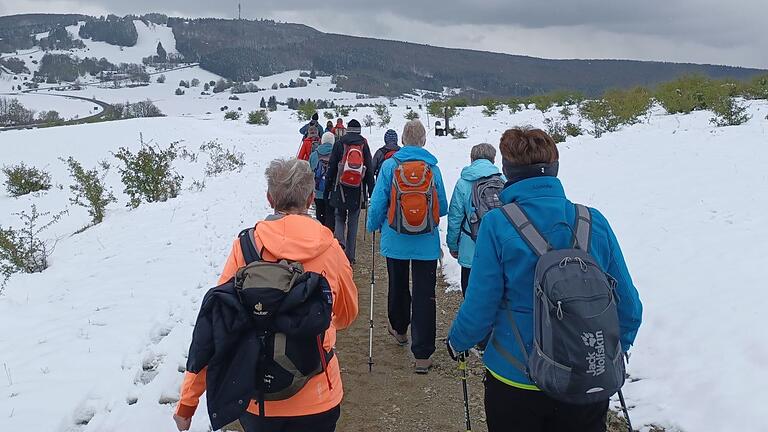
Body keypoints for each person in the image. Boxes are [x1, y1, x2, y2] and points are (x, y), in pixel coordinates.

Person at [446, 128, 642, 432]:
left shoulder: (497, 224)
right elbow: (628, 307)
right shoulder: (593, 221)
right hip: (586, 377)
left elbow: (480, 307)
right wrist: (607, 350)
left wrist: (457, 341)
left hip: (516, 377)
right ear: (555, 168)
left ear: (508, 172)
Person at [173, 158, 358, 432]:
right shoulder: (330, 249)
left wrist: (188, 402)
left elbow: (217, 325)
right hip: (318, 395)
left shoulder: (245, 246)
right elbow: (346, 314)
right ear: (310, 198)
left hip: (257, 396)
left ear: (270, 197)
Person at [366, 119, 448, 374]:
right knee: (426, 294)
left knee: (397, 284)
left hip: (395, 239)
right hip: (425, 242)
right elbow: (442, 206)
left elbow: (378, 202)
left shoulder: (390, 166)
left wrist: (372, 225)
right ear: (423, 141)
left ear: (402, 140)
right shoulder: (433, 169)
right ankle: (422, 355)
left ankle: (400, 330)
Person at [446, 143, 504, 296]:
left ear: (472, 159)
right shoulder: (503, 181)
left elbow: (455, 218)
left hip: (470, 247)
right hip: (499, 247)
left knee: (471, 294)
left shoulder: (463, 182)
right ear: (493, 159)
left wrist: (453, 245)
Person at [324, 119, 374, 264]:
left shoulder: (340, 143)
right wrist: (371, 191)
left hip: (340, 188)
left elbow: (332, 167)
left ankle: (339, 249)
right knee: (353, 222)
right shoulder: (363, 144)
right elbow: (369, 170)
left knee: (339, 218)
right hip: (357, 190)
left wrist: (327, 189)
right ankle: (350, 257)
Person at [310, 132, 336, 230]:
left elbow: (309, 172)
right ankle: (329, 234)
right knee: (330, 213)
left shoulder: (314, 155)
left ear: (322, 140)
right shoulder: (336, 154)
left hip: (318, 191)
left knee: (319, 212)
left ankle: (320, 232)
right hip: (331, 191)